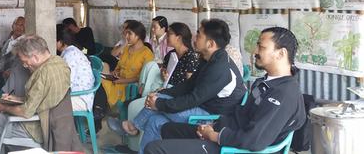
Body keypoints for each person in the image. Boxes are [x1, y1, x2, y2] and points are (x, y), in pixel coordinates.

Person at [146, 27, 306, 154]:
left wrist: (214, 135)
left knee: (154, 149)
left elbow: (255, 140)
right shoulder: (264, 82)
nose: (255, 52)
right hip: (224, 131)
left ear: (281, 54)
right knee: (162, 126)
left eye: (261, 47)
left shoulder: (284, 94)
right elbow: (241, 115)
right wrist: (211, 125)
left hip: (234, 148)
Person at [121, 19, 246, 154]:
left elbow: (194, 98)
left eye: (199, 35)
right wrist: (165, 92)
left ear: (210, 44)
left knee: (157, 101)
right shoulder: (209, 58)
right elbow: (189, 85)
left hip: (211, 117)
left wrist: (159, 103)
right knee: (154, 120)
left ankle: (133, 126)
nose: (194, 37)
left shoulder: (220, 68)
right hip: (203, 106)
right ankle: (136, 134)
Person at [0, 35, 73, 154]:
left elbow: (26, 112)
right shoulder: (60, 63)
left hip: (30, 127)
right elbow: (41, 100)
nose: (25, 66)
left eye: (25, 62)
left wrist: (2, 107)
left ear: (35, 57)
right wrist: (15, 98)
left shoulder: (42, 75)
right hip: (50, 123)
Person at [107, 22, 201, 138]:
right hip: (165, 89)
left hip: (177, 94)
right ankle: (131, 134)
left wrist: (168, 91)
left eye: (169, 34)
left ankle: (131, 128)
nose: (166, 36)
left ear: (179, 37)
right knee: (144, 102)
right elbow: (163, 72)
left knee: (143, 104)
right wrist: (163, 73)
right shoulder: (170, 54)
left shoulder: (191, 57)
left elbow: (190, 84)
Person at [100, 20, 154, 108]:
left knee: (102, 85)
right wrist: (115, 72)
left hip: (128, 86)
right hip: (117, 80)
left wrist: (122, 81)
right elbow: (119, 67)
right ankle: (100, 109)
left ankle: (100, 109)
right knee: (99, 78)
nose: (126, 36)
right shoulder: (126, 48)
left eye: (129, 34)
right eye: (126, 33)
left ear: (138, 36)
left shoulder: (147, 53)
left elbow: (143, 77)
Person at [56, 24, 95, 111]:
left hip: (80, 98)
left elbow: (67, 82)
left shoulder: (70, 55)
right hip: (77, 95)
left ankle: (65, 125)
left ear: (60, 41)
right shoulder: (70, 51)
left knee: (49, 105)